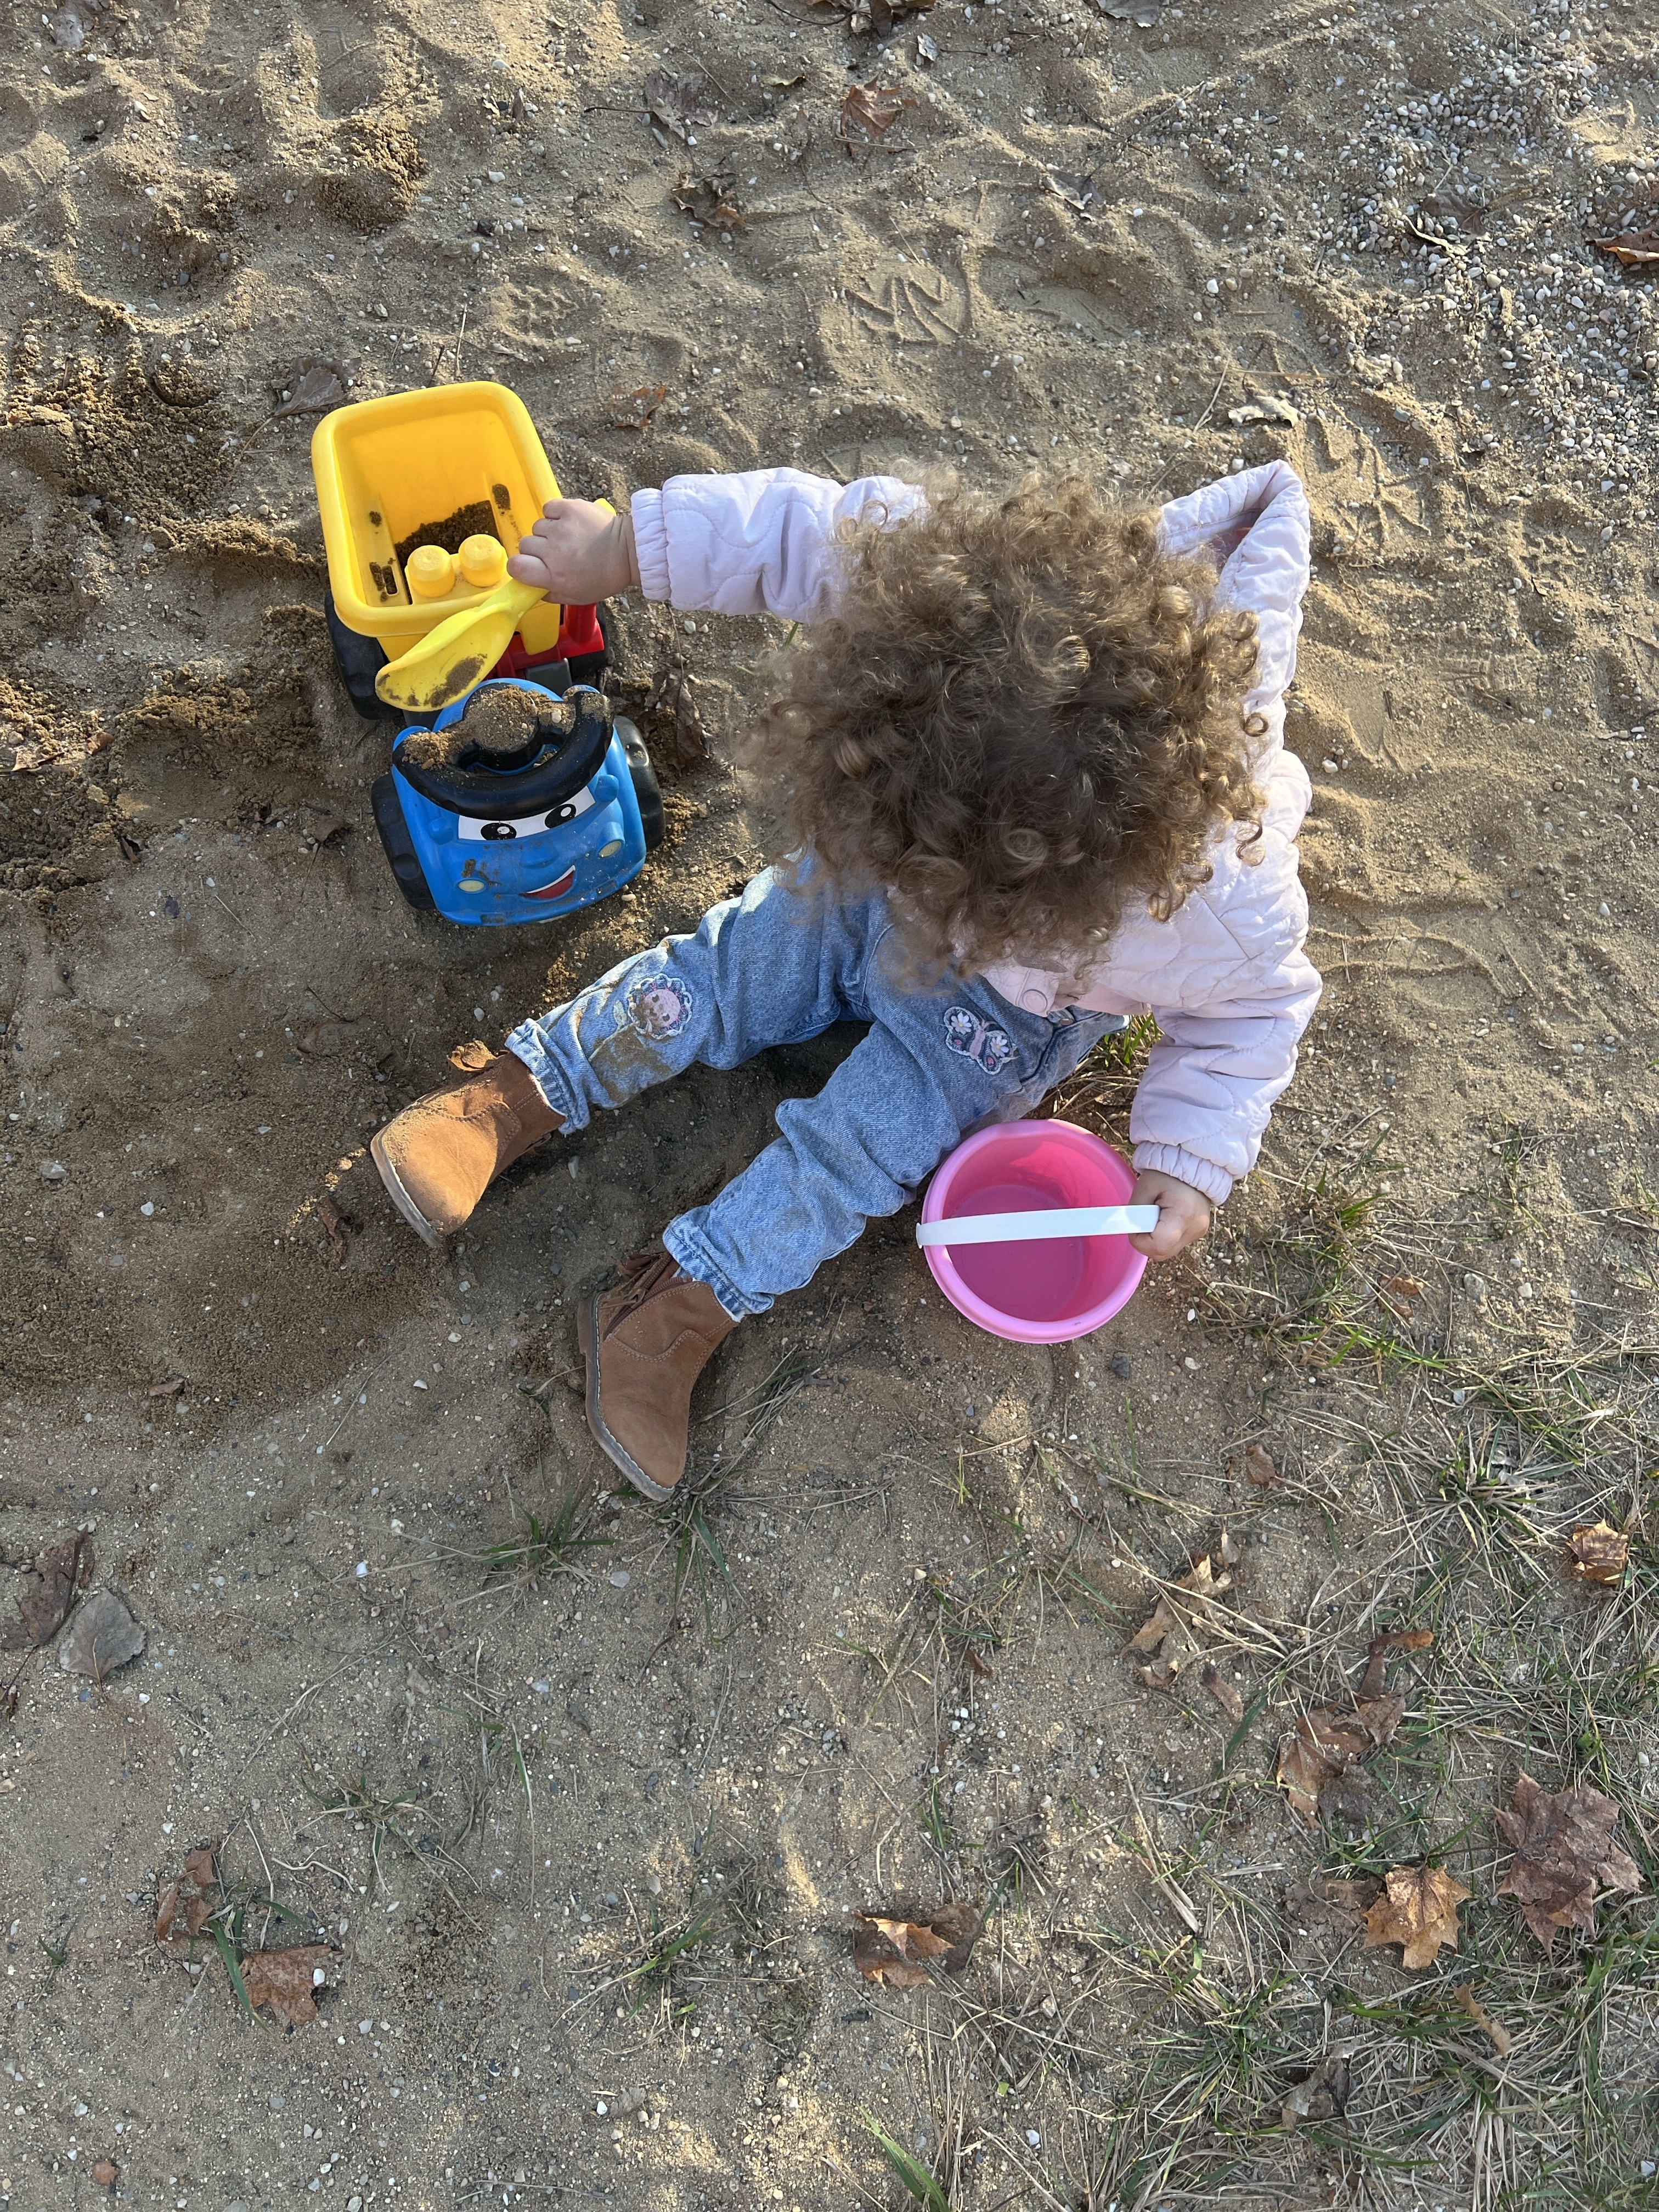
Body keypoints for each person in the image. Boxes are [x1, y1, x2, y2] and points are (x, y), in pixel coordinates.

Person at [369, 460, 1319, 1503]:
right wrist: (622, 550)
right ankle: (516, 1093)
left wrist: (1188, 1160)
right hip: (862, 887)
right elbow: (798, 532)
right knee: (729, 969)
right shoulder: (970, 611)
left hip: (997, 1016)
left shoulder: (1219, 894)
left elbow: (1255, 1013)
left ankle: (676, 1311)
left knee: (861, 1150)